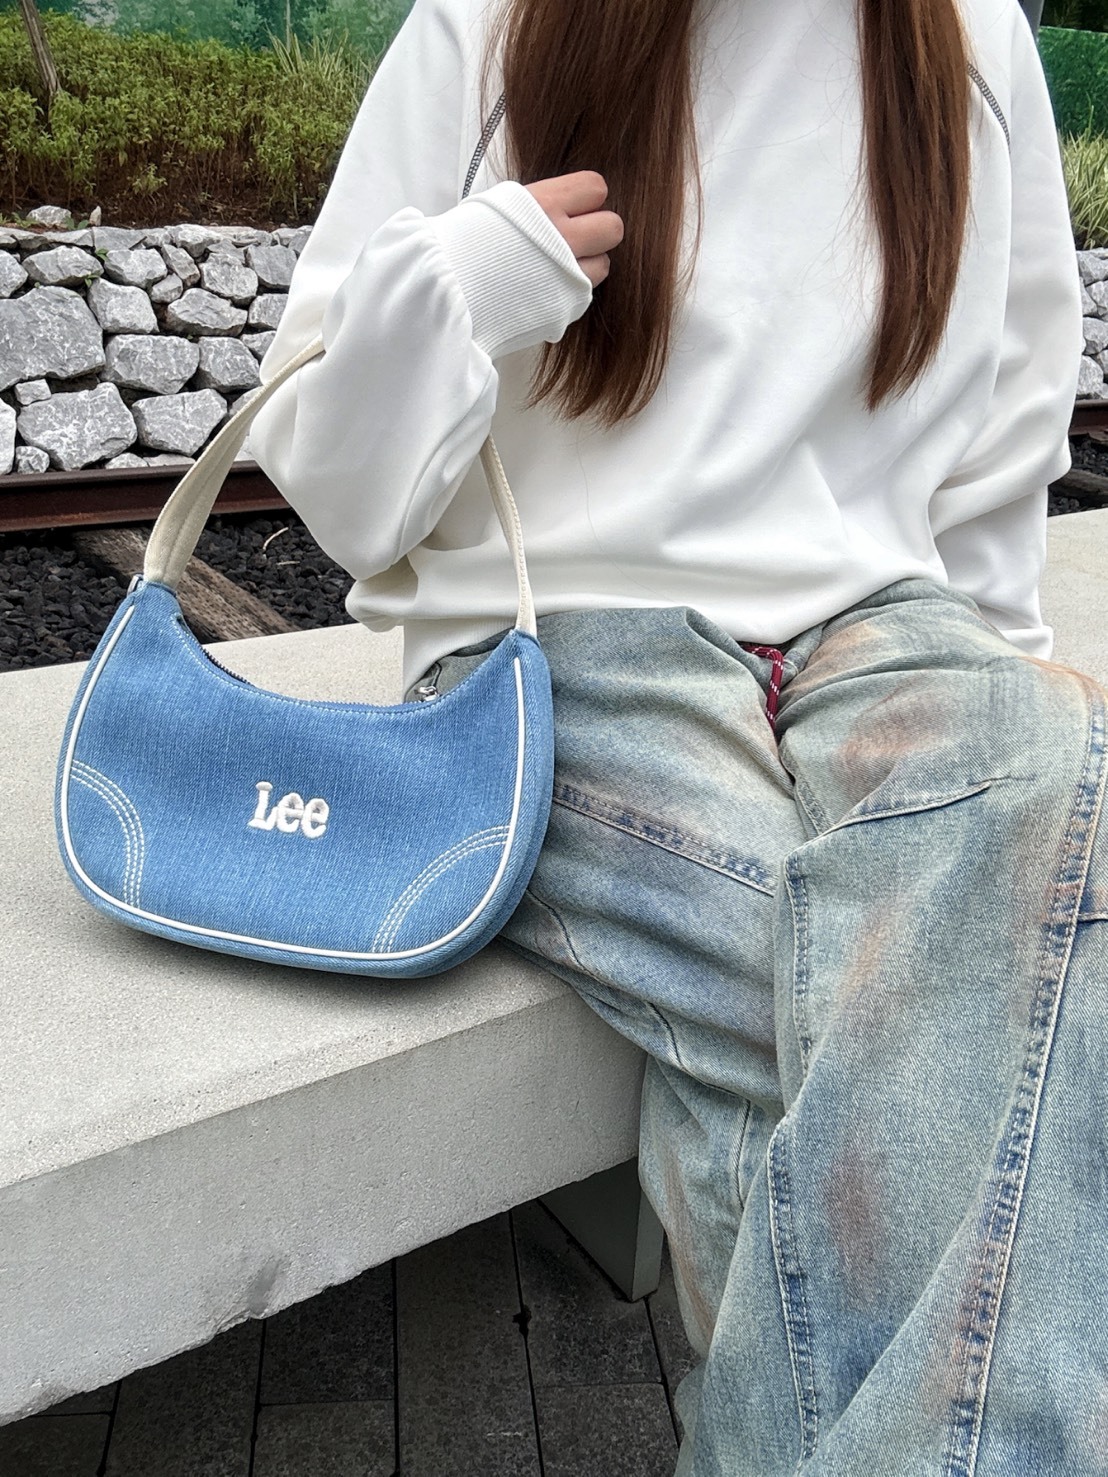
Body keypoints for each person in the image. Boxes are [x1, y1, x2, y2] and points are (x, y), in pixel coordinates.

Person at [247, 0, 1101, 1470]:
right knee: (961, 1016)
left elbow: (1009, 425)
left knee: (1052, 790)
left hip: (883, 623)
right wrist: (457, 285)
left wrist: (1004, 678)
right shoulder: (492, 23)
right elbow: (336, 495)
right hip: (554, 628)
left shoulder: (971, 33)